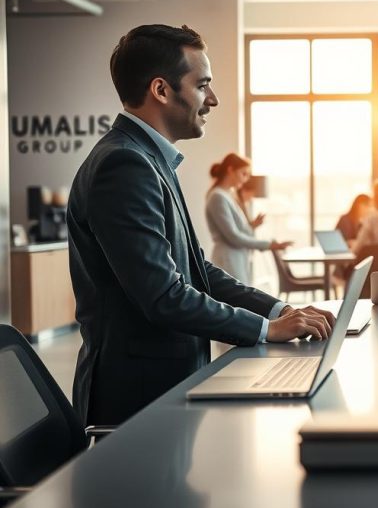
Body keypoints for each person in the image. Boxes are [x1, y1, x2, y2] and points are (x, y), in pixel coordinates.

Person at [68, 24, 336, 426]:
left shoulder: (149, 160)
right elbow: (164, 295)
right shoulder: (123, 165)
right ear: (161, 90)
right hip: (138, 399)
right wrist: (266, 330)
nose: (213, 99)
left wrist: (282, 311)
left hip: (163, 387)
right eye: (203, 85)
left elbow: (196, 270)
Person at [205, 152, 291, 285]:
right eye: (243, 174)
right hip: (228, 260)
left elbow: (236, 231)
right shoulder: (218, 197)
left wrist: (252, 226)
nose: (245, 179)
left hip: (237, 258)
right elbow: (233, 236)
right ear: (230, 170)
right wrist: (269, 245)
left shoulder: (228, 196)